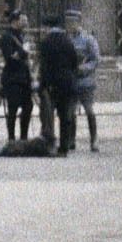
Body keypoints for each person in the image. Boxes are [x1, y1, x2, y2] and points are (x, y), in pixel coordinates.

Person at [38, 16, 80, 156]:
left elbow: (44, 66)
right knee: (65, 116)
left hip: (52, 85)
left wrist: (43, 84)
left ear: (48, 28)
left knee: (48, 116)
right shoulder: (68, 42)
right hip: (67, 84)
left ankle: (49, 144)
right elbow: (75, 62)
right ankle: (64, 147)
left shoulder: (45, 43)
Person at [66, 6, 102, 152]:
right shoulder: (65, 39)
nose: (69, 25)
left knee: (89, 111)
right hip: (71, 82)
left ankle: (94, 140)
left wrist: (84, 68)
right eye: (67, 22)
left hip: (85, 82)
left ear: (79, 22)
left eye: (72, 22)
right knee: (70, 113)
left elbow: (96, 59)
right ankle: (71, 140)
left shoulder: (88, 39)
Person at [0, 9, 34, 144]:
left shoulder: (21, 36)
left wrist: (21, 54)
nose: (24, 22)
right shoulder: (6, 37)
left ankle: (23, 137)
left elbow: (20, 55)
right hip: (13, 78)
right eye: (21, 20)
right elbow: (10, 58)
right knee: (12, 109)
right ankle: (12, 138)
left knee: (28, 106)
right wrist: (22, 53)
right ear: (14, 21)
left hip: (24, 78)